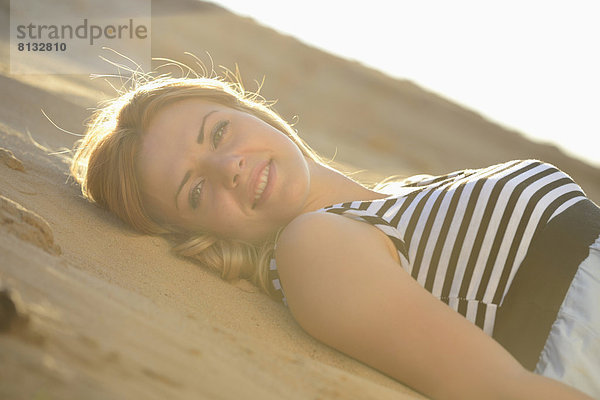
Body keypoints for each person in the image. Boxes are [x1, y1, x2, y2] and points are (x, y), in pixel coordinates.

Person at [70, 74, 600, 400]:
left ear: (249, 111)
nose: (227, 166)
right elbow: (495, 390)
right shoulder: (315, 245)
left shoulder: (395, 197)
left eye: (219, 132)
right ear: (193, 234)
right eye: (194, 192)